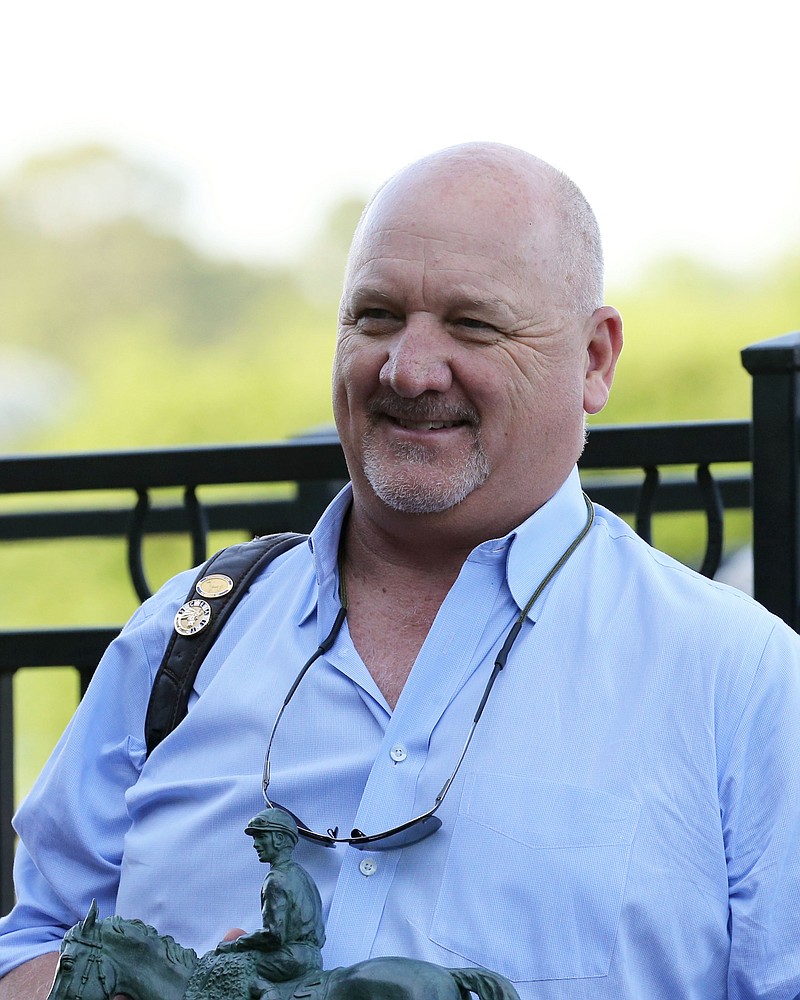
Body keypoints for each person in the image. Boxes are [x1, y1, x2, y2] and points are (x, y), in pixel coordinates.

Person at [2, 141, 800, 1000]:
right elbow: (31, 943)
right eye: (377, 316)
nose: (409, 369)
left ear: (595, 360)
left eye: (474, 325)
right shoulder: (184, 640)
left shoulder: (742, 680)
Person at [214, 808, 324, 989]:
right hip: (313, 958)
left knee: (229, 964)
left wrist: (235, 945)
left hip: (289, 959)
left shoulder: (276, 879)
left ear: (279, 839)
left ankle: (267, 992)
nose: (255, 844)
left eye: (261, 837)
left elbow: (273, 936)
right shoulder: (303, 876)